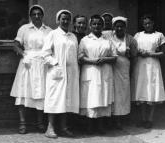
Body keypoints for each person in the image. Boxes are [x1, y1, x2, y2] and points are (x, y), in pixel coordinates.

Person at [10, 5, 52, 134]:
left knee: (41, 93)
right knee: (23, 91)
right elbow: (16, 46)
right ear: (30, 16)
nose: (37, 16)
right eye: (34, 14)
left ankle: (40, 123)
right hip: (27, 62)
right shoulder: (24, 29)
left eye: (39, 14)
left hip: (42, 63)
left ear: (42, 15)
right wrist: (24, 55)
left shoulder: (49, 30)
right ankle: (22, 123)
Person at [41, 10, 79, 138]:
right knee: (54, 99)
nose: (66, 21)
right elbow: (45, 54)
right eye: (63, 19)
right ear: (58, 20)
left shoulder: (73, 36)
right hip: (57, 73)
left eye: (68, 19)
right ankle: (50, 128)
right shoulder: (53, 34)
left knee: (67, 100)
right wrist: (55, 63)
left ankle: (63, 128)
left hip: (71, 74)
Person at [78, 14, 117, 135]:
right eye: (94, 24)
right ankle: (89, 126)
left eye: (99, 24)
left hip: (104, 72)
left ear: (103, 26)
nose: (96, 26)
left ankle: (100, 125)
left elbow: (115, 57)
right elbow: (80, 57)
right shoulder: (85, 40)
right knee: (90, 98)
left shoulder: (108, 41)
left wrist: (105, 59)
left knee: (102, 97)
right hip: (90, 72)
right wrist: (93, 61)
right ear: (90, 25)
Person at [131, 14, 165, 129]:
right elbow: (132, 50)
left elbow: (164, 53)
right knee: (142, 92)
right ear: (143, 24)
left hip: (153, 66)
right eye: (145, 24)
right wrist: (138, 52)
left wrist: (150, 53)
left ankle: (150, 119)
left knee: (151, 91)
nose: (147, 25)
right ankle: (143, 118)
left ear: (153, 23)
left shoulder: (159, 35)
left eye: (149, 23)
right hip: (140, 65)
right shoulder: (138, 35)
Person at [110, 16, 137, 129]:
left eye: (121, 26)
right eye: (117, 26)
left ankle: (119, 120)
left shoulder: (130, 39)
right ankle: (108, 118)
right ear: (114, 27)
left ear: (125, 27)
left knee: (122, 94)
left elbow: (134, 56)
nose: (119, 28)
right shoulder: (108, 36)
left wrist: (131, 70)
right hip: (110, 66)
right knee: (111, 92)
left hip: (123, 68)